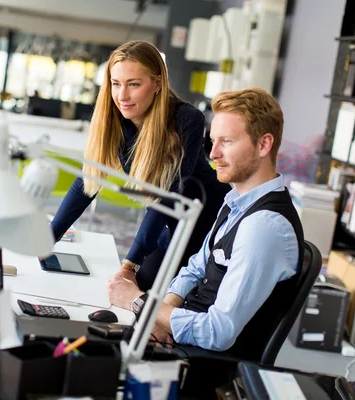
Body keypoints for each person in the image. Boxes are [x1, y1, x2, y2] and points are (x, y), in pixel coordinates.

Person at [108, 88, 305, 390]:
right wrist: (160, 317)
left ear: (264, 144)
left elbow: (218, 332)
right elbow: (196, 268)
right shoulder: (235, 202)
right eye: (213, 142)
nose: (212, 154)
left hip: (201, 371)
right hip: (181, 343)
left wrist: (139, 303)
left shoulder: (264, 227)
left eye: (226, 142)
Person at [49, 41, 230, 291]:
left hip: (208, 227)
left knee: (152, 298)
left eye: (134, 84)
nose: (122, 95)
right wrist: (49, 237)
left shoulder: (187, 120)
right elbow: (87, 180)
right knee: (139, 294)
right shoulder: (117, 120)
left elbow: (166, 196)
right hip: (168, 226)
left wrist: (130, 264)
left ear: (157, 83)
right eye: (116, 84)